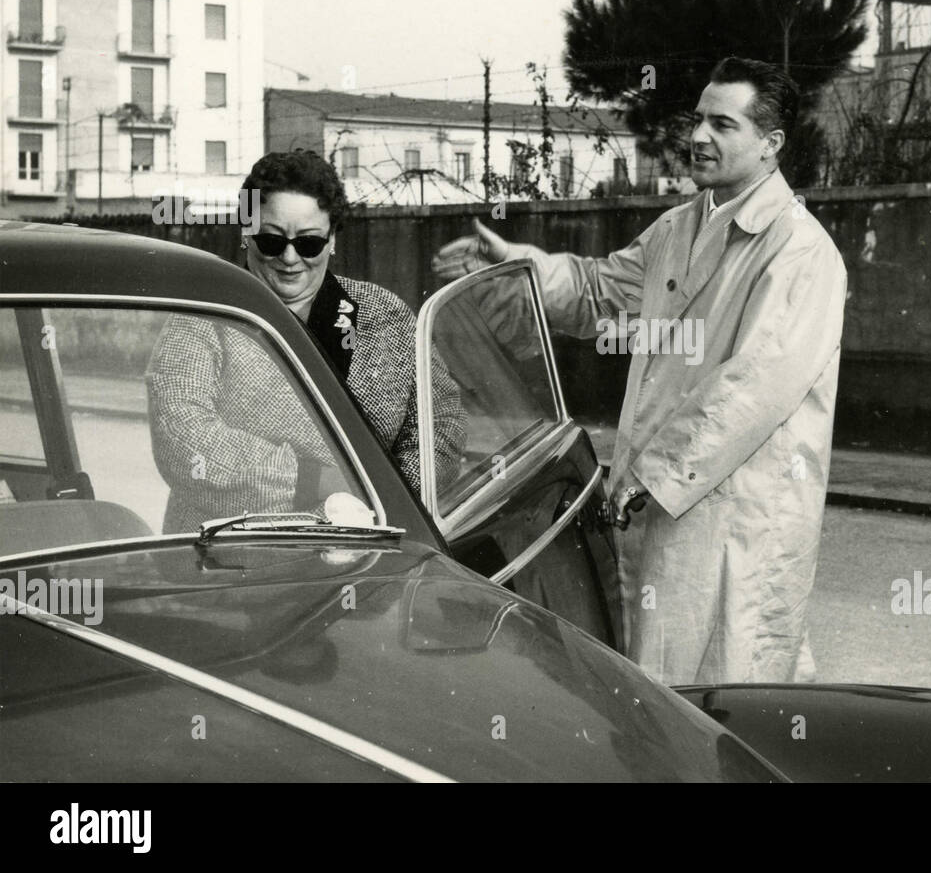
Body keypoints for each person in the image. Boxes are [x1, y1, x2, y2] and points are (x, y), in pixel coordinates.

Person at [433, 57, 847, 685]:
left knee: (733, 689)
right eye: (699, 120)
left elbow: (752, 389)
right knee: (660, 687)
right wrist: (520, 265)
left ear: (771, 145)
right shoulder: (681, 226)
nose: (699, 137)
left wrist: (648, 476)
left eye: (723, 124)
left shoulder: (800, 251)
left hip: (731, 515)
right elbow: (600, 291)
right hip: (658, 505)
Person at [147, 149, 466, 531]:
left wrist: (388, 500)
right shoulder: (204, 318)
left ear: (332, 240)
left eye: (309, 243)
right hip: (231, 559)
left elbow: (442, 423)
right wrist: (322, 483)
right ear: (245, 234)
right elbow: (183, 440)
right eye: (271, 240)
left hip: (376, 542)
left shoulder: (386, 313)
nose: (289, 257)